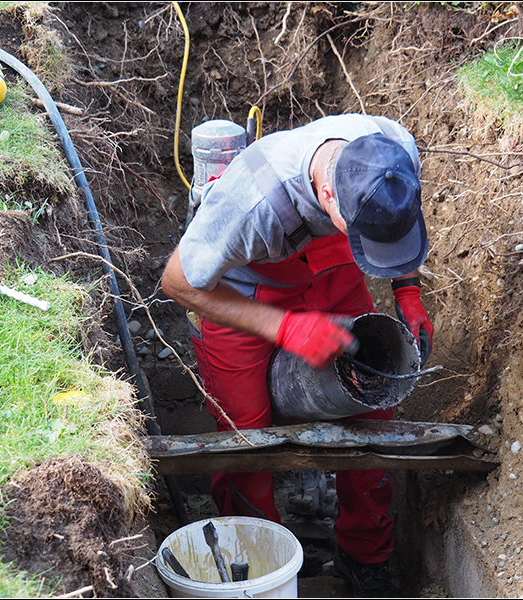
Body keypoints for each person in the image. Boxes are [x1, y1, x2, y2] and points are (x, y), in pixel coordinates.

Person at [162, 113, 434, 597]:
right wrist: (284, 327)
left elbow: (397, 221)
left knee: (374, 401)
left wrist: (407, 290)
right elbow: (179, 283)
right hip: (239, 291)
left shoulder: (396, 152)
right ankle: (255, 571)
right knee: (248, 437)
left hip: (332, 271)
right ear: (329, 195)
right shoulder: (251, 203)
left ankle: (366, 558)